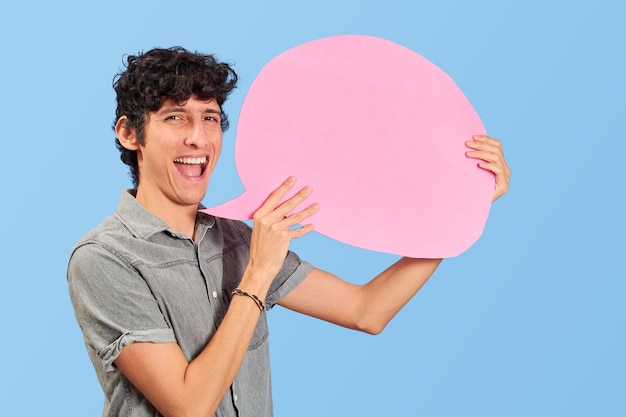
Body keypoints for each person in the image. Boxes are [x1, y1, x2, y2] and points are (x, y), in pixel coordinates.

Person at [68, 46, 511, 417]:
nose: (199, 138)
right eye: (176, 118)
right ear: (130, 134)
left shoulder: (238, 238)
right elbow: (189, 407)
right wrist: (258, 273)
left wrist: (462, 210)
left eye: (209, 118)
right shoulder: (104, 258)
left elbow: (367, 311)